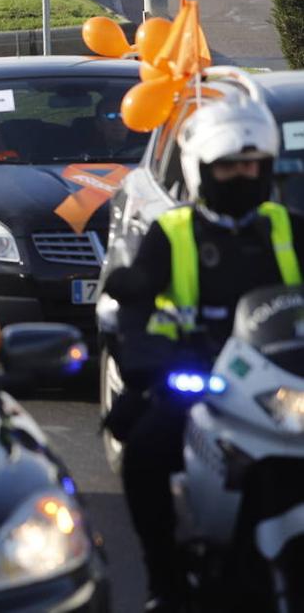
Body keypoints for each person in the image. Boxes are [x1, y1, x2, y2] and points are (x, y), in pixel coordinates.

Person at [103, 96, 304, 612]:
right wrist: (146, 361)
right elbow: (136, 301)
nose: (242, 175)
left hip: (285, 391)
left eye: (252, 165)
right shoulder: (171, 234)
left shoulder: (290, 228)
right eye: (229, 166)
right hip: (202, 383)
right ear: (201, 170)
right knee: (144, 455)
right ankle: (165, 583)